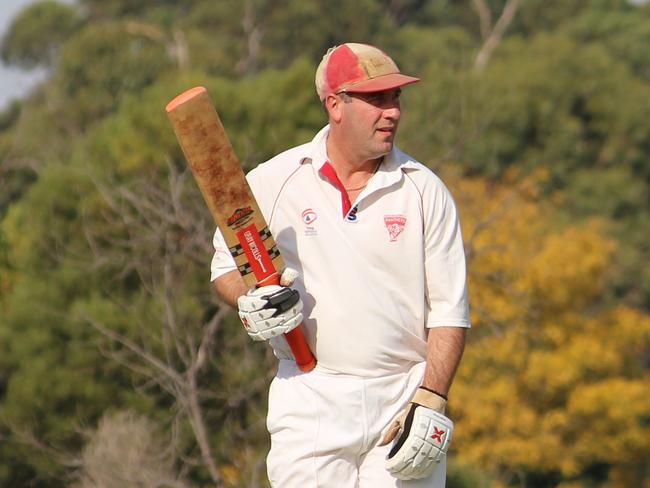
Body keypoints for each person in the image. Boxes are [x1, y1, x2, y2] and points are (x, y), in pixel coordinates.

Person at [211, 42, 470, 488]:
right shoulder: (275, 180)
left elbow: (450, 312)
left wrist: (431, 397)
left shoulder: (424, 191)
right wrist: (248, 297)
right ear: (336, 104)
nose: (392, 113)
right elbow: (225, 269)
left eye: (395, 99)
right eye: (377, 100)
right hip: (311, 393)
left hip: (401, 397)